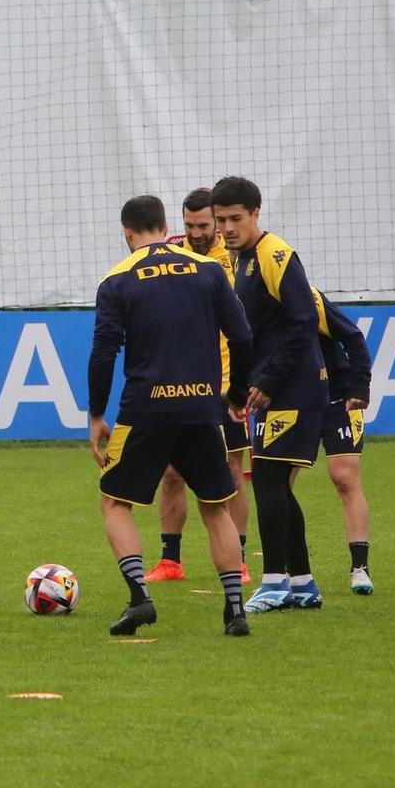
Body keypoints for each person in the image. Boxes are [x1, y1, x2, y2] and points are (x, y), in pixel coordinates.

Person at [88, 194, 254, 638]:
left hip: (146, 409)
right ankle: (235, 610)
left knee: (114, 501)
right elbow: (242, 337)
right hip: (203, 406)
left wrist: (96, 415)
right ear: (166, 227)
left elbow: (104, 353)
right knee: (216, 506)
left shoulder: (117, 280)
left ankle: (140, 597)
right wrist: (235, 395)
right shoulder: (208, 271)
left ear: (127, 233)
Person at [211, 175, 330, 614]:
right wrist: (244, 386)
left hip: (295, 388)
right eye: (221, 219)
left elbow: (303, 322)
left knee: (267, 481)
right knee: (276, 484)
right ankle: (301, 583)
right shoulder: (240, 259)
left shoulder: (275, 254)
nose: (226, 227)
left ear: (256, 213)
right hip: (275, 389)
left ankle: (275, 580)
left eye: (235, 219)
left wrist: (270, 381)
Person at [151, 185, 252, 582]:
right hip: (182, 383)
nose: (196, 233)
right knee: (172, 473)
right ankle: (170, 561)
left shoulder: (235, 257)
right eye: (190, 225)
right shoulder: (173, 254)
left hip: (226, 385)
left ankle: (239, 557)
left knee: (230, 470)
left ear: (218, 222)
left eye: (204, 225)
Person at [312, 288, 376, 595]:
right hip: (290, 401)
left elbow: (353, 337)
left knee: (345, 477)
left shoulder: (308, 298)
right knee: (278, 483)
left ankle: (360, 568)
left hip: (338, 399)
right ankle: (283, 570)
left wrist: (360, 386)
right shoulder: (246, 296)